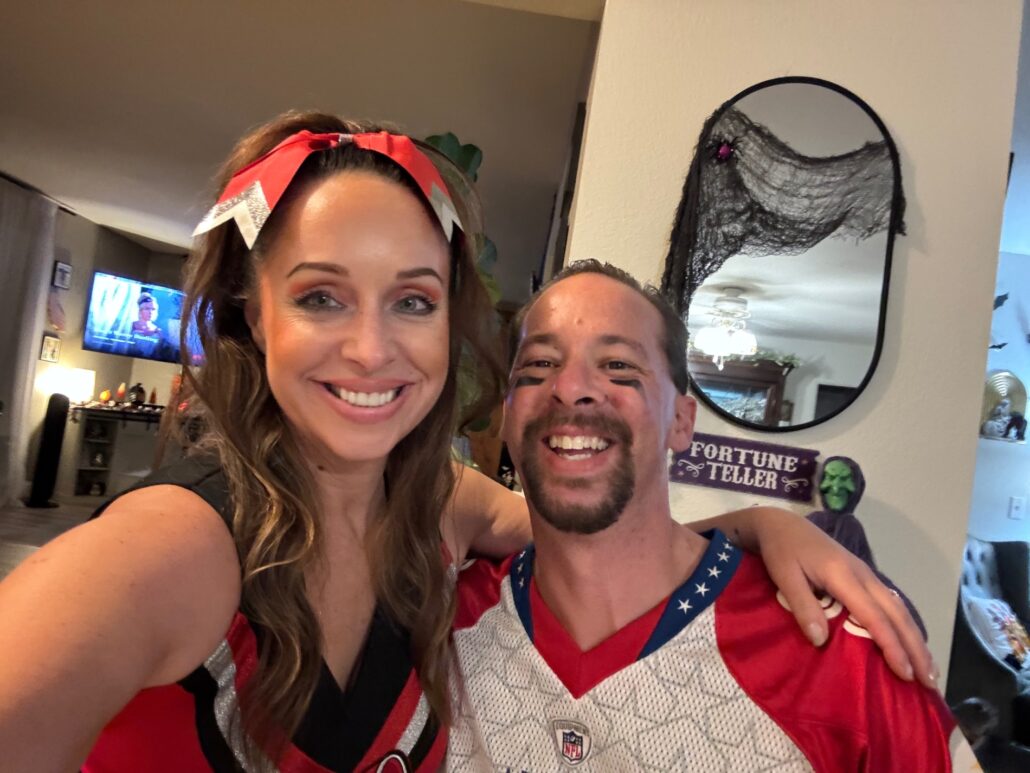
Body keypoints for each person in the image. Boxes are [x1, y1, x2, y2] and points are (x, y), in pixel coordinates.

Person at [0, 113, 931, 773]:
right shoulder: (174, 545)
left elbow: (598, 531)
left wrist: (769, 525)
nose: (372, 346)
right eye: (321, 295)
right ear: (253, 314)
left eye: (412, 300)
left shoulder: (439, 508)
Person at [449, 261, 972, 772]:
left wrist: (767, 521)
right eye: (538, 367)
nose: (570, 387)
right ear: (508, 412)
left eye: (619, 366)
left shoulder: (846, 665)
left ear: (681, 422)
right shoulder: (440, 622)